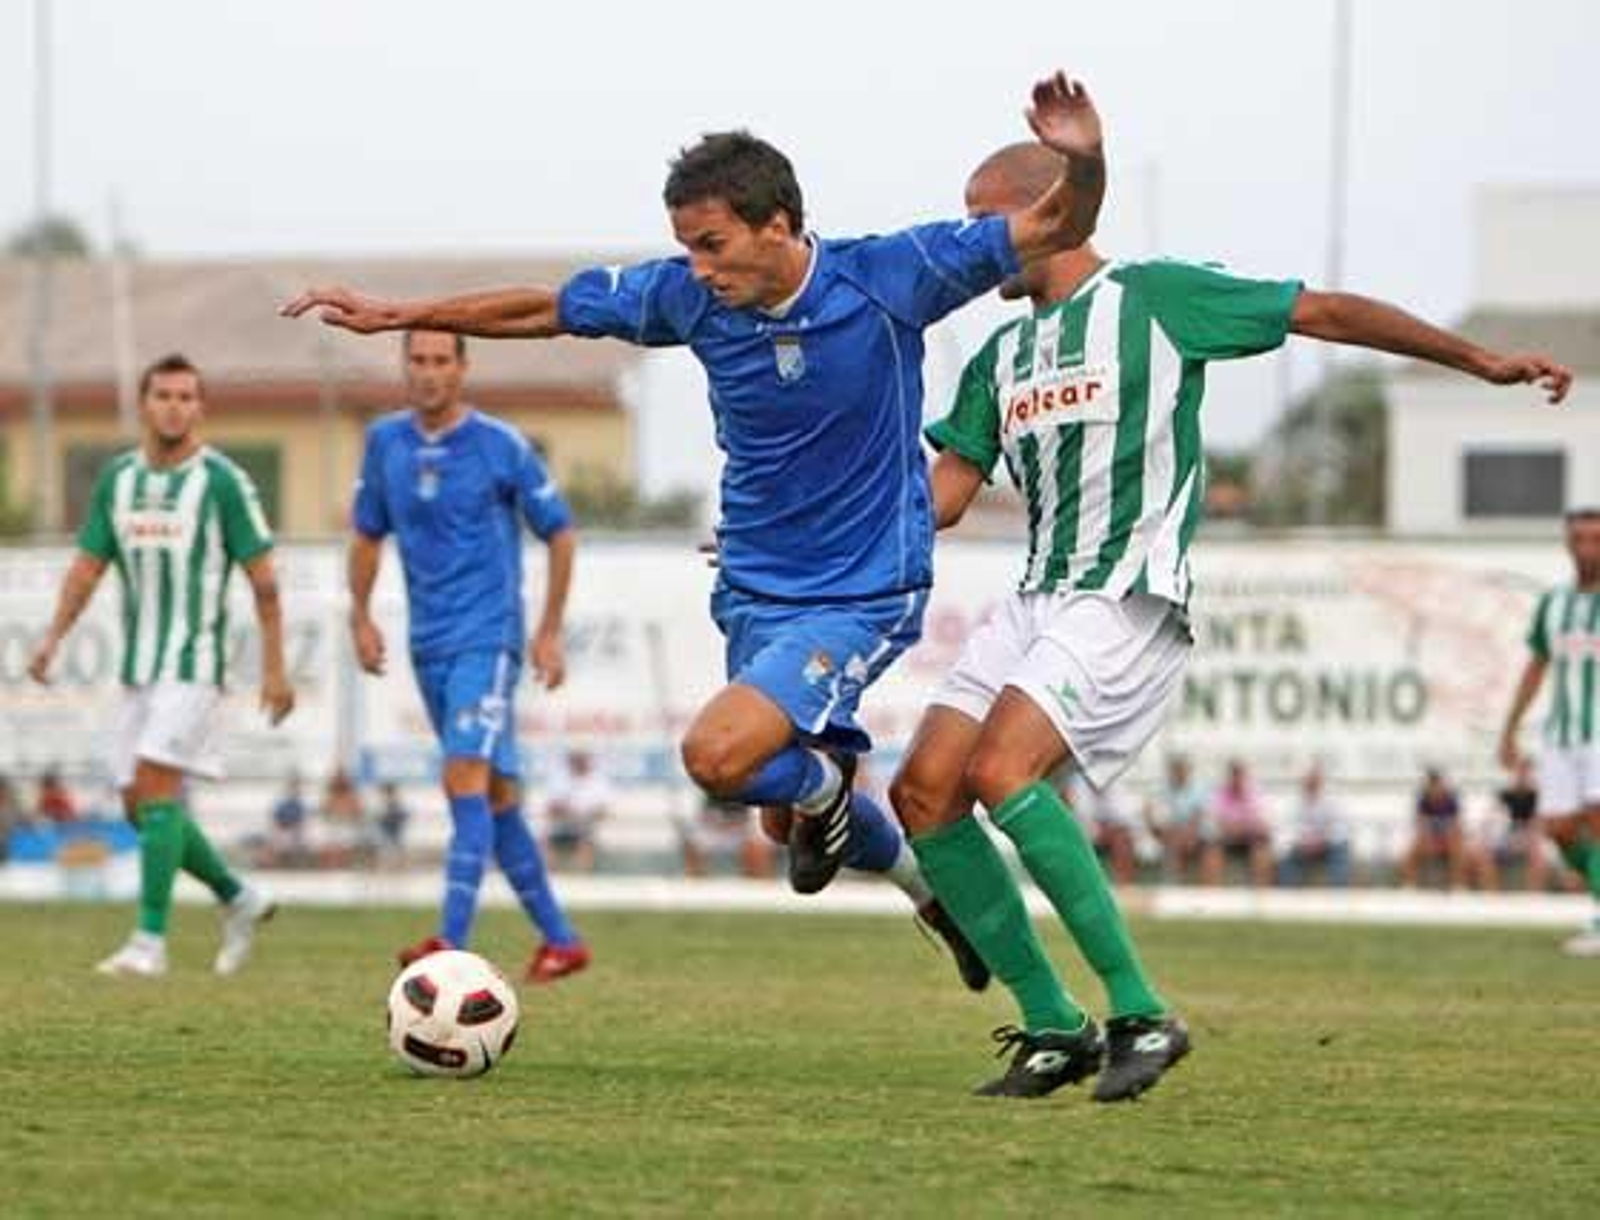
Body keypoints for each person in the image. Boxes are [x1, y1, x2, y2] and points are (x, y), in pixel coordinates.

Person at [281, 70, 1107, 989]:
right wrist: (403, 312)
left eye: (712, 246)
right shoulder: (690, 298)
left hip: (861, 587)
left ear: (780, 224)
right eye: (687, 249)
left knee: (720, 756)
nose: (699, 269)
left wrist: (1084, 158)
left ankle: (836, 797)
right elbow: (548, 309)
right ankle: (929, 892)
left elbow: (1051, 226)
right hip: (754, 585)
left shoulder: (890, 276)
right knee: (778, 815)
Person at [890, 135, 1571, 1101]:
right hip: (1037, 595)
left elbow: (1323, 311)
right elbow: (945, 497)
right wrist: (798, 534)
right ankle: (1053, 1025)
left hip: (1124, 594)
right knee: (922, 794)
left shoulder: (1157, 299)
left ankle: (1140, 1011)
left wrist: (1480, 360)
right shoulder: (1000, 357)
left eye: (979, 220)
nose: (968, 243)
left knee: (1003, 770)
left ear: (1045, 215)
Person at [27, 352, 294, 977]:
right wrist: (52, 639)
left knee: (154, 784)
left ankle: (149, 943)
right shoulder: (117, 480)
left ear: (200, 407)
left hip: (195, 663)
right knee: (138, 805)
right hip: (138, 666)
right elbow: (87, 568)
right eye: (164, 395)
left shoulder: (223, 482)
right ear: (144, 404)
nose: (175, 406)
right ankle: (238, 896)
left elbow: (265, 583)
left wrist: (275, 669)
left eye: (186, 396)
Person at [342, 329, 589, 983]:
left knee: (463, 778)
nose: (428, 373)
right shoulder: (385, 443)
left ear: (462, 367)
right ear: (405, 367)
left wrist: (548, 631)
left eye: (440, 361)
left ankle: (448, 941)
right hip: (430, 644)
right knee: (497, 795)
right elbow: (367, 536)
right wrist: (360, 615)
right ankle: (561, 940)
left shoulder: (500, 446)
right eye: (417, 361)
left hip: (489, 638)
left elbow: (561, 533)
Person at [1499, 509, 1600, 952]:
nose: (1586, 548)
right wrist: (1510, 728)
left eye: (1595, 539)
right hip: (1561, 735)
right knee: (1558, 828)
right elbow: (1537, 665)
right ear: (1567, 544)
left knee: (1597, 821)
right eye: (1578, 539)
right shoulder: (1554, 603)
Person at [1398, 767, 1480, 889]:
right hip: (1429, 840)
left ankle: (1458, 884)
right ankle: (1409, 884)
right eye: (1432, 785)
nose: (1435, 788)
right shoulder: (1423, 800)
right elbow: (1420, 824)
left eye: (1437, 784)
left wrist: (1446, 838)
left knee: (1456, 845)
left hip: (1449, 840)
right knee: (1410, 851)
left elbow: (1457, 825)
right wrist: (1429, 839)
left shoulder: (1451, 800)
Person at [1204, 759, 1275, 888]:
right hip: (1228, 839)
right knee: (1212, 852)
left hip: (1248, 839)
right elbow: (1218, 821)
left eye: (1239, 774)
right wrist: (1237, 827)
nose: (1237, 778)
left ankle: (1262, 894)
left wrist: (1240, 827)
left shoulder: (1254, 793)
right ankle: (1213, 895)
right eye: (1234, 774)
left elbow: (1260, 823)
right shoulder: (1221, 793)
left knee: (1261, 851)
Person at [1277, 764, 1352, 887]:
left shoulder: (1331, 801)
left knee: (1341, 852)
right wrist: (1303, 843)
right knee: (1286, 858)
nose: (1311, 783)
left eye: (1314, 780)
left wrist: (1322, 841)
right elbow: (1288, 831)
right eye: (1308, 780)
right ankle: (1287, 896)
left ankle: (1339, 896)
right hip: (1302, 848)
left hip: (1328, 846)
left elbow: (1340, 829)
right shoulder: (1294, 803)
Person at [1483, 757, 1548, 892]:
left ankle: (1534, 892)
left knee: (1536, 851)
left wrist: (1527, 833)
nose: (1522, 774)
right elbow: (1494, 816)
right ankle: (1492, 892)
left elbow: (1539, 821)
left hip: (1528, 834)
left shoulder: (1536, 794)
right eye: (1520, 771)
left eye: (1525, 771)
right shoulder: (1506, 793)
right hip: (1508, 833)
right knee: (1486, 852)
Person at [1144, 755, 1210, 883]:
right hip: (1171, 833)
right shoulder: (1163, 790)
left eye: (1182, 769)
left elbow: (1199, 817)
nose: (1179, 773)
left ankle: (1207, 888)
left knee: (1209, 847)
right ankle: (1174, 883)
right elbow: (1152, 813)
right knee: (1173, 841)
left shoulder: (1199, 790)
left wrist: (1188, 833)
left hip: (1194, 834)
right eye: (1177, 769)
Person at [544, 749, 611, 873]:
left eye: (581, 758)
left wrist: (582, 815)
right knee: (545, 838)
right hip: (562, 824)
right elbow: (551, 808)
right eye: (575, 758)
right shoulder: (560, 778)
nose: (578, 762)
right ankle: (550, 877)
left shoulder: (597, 781)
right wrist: (566, 811)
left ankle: (581, 877)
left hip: (585, 824)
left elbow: (602, 811)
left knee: (584, 839)